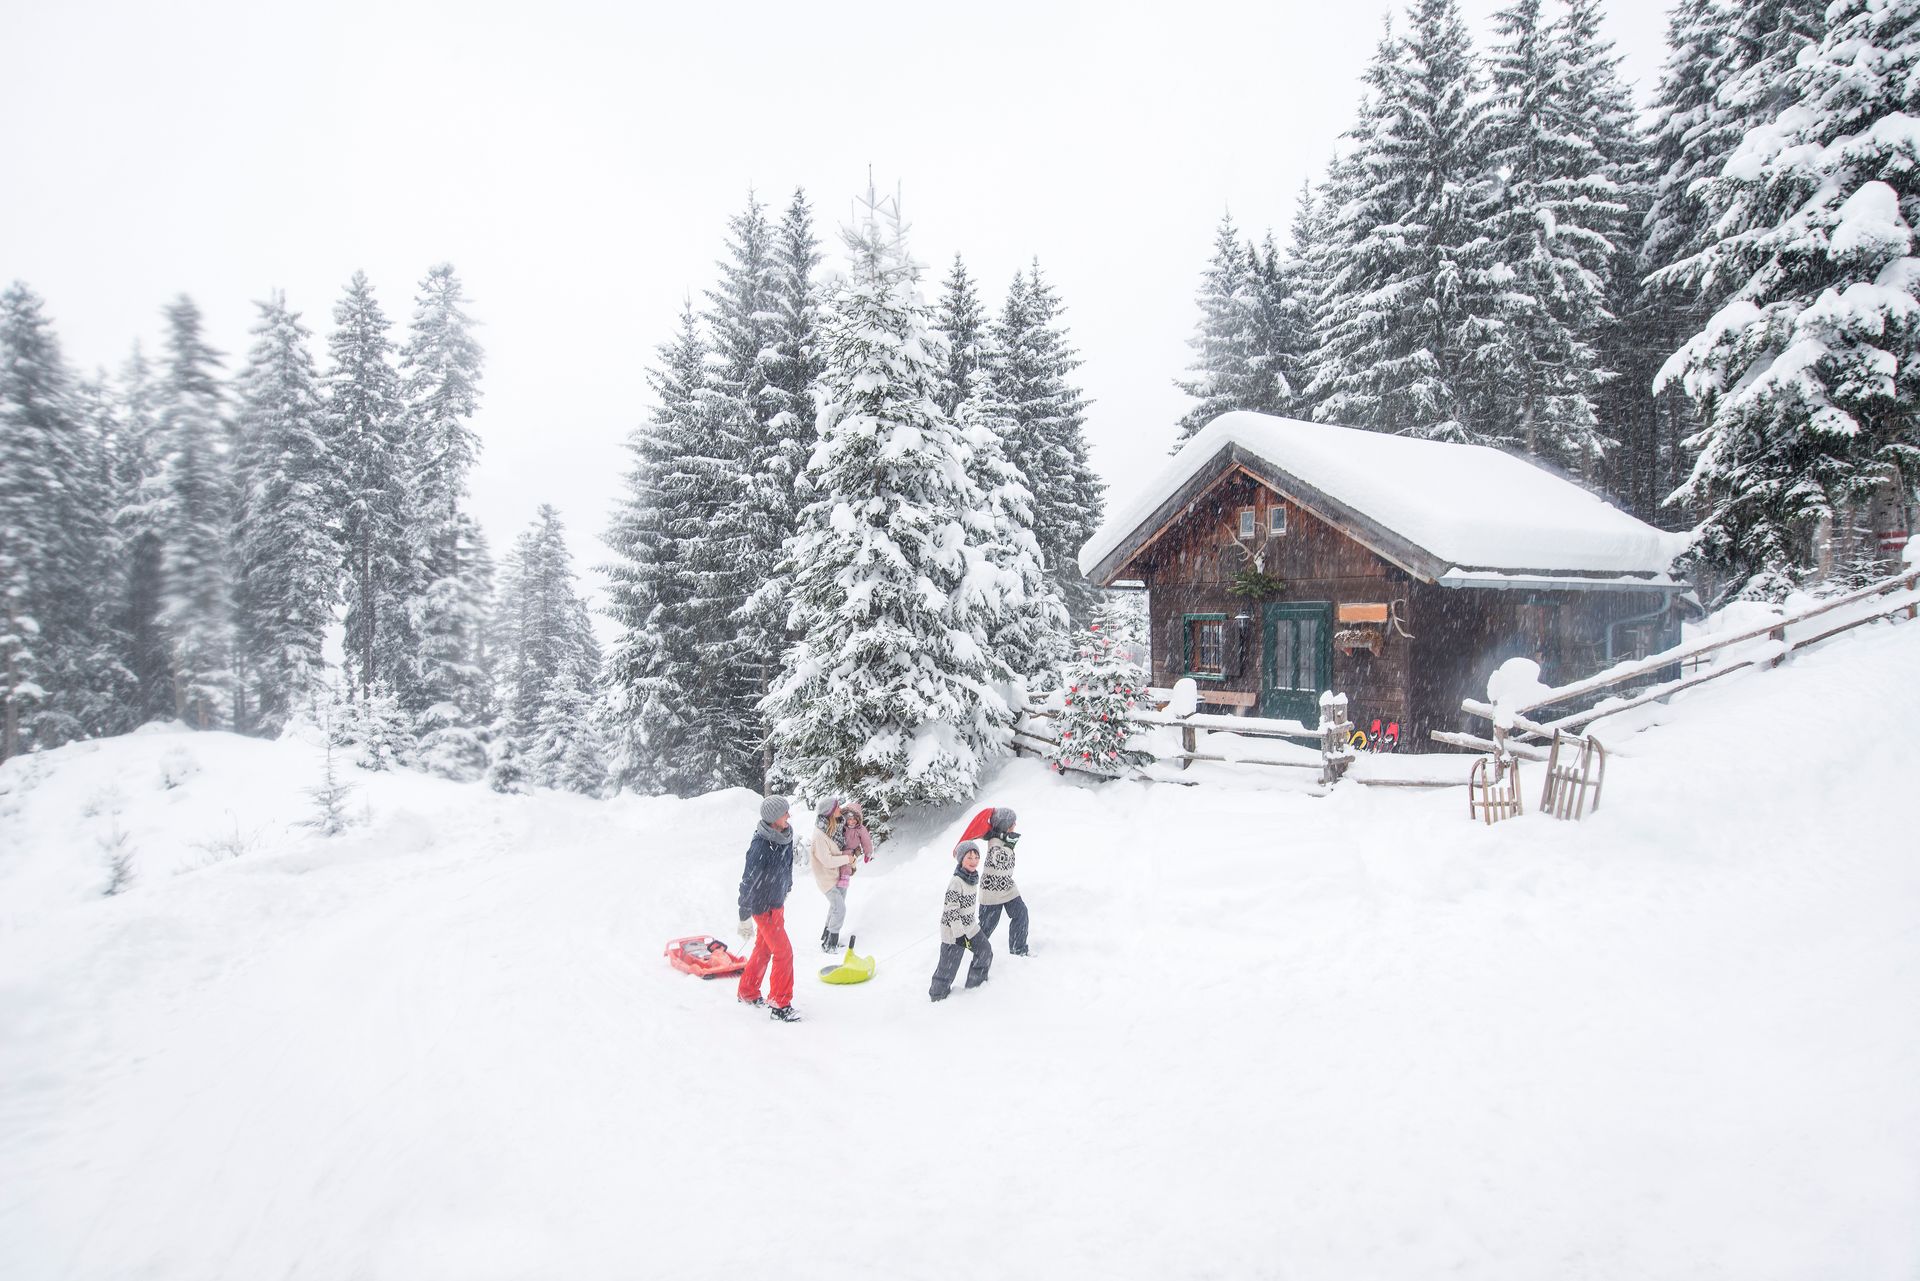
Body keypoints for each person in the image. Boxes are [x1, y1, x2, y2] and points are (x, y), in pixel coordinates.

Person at [737, 794, 801, 1022]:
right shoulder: (761, 845)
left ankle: (747, 991)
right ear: (774, 818)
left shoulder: (785, 835)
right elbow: (749, 879)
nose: (789, 815)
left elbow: (787, 865)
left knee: (764, 949)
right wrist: (744, 910)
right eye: (785, 813)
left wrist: (787, 886)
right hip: (763, 907)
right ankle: (780, 1004)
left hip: (777, 902)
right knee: (784, 953)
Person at [930, 841, 992, 1001]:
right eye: (969, 857)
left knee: (984, 951)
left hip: (970, 926)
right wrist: (958, 935)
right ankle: (938, 996)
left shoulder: (972, 877)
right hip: (953, 931)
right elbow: (951, 910)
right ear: (961, 859)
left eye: (976, 857)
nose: (973, 860)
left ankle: (975, 987)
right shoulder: (957, 881)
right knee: (948, 967)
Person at [976, 807, 1030, 957]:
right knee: (987, 927)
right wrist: (1009, 845)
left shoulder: (1002, 838)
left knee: (1021, 914)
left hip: (1006, 886)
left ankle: (1018, 949)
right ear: (1005, 825)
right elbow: (1000, 860)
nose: (1015, 824)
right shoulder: (994, 842)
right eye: (1013, 822)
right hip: (992, 890)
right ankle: (969, 947)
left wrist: (1008, 842)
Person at [810, 797, 856, 953]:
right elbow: (827, 861)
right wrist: (847, 858)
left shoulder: (832, 827)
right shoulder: (819, 836)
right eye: (837, 807)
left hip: (836, 875)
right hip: (826, 879)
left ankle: (827, 936)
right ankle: (831, 944)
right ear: (829, 812)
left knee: (835, 906)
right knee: (840, 908)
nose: (840, 809)